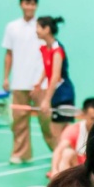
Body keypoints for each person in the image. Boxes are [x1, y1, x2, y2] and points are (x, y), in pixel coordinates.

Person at [2, 0, 44, 164]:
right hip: (19, 82)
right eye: (27, 3)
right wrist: (6, 77)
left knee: (46, 120)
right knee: (19, 121)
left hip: (40, 83)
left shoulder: (42, 26)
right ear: (21, 5)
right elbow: (9, 54)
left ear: (36, 6)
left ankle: (58, 151)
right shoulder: (12, 27)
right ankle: (21, 153)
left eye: (33, 4)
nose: (30, 7)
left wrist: (42, 80)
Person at [33, 16, 76, 148]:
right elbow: (48, 67)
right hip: (57, 94)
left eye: (38, 27)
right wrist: (39, 82)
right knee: (63, 132)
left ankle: (63, 159)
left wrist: (46, 100)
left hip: (63, 94)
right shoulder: (46, 48)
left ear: (47, 29)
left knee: (57, 132)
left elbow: (55, 76)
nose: (36, 30)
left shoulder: (57, 50)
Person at [50, 97, 94, 178]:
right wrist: (54, 170)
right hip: (79, 167)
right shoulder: (73, 130)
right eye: (93, 118)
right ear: (84, 115)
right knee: (67, 153)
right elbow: (59, 149)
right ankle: (64, 181)